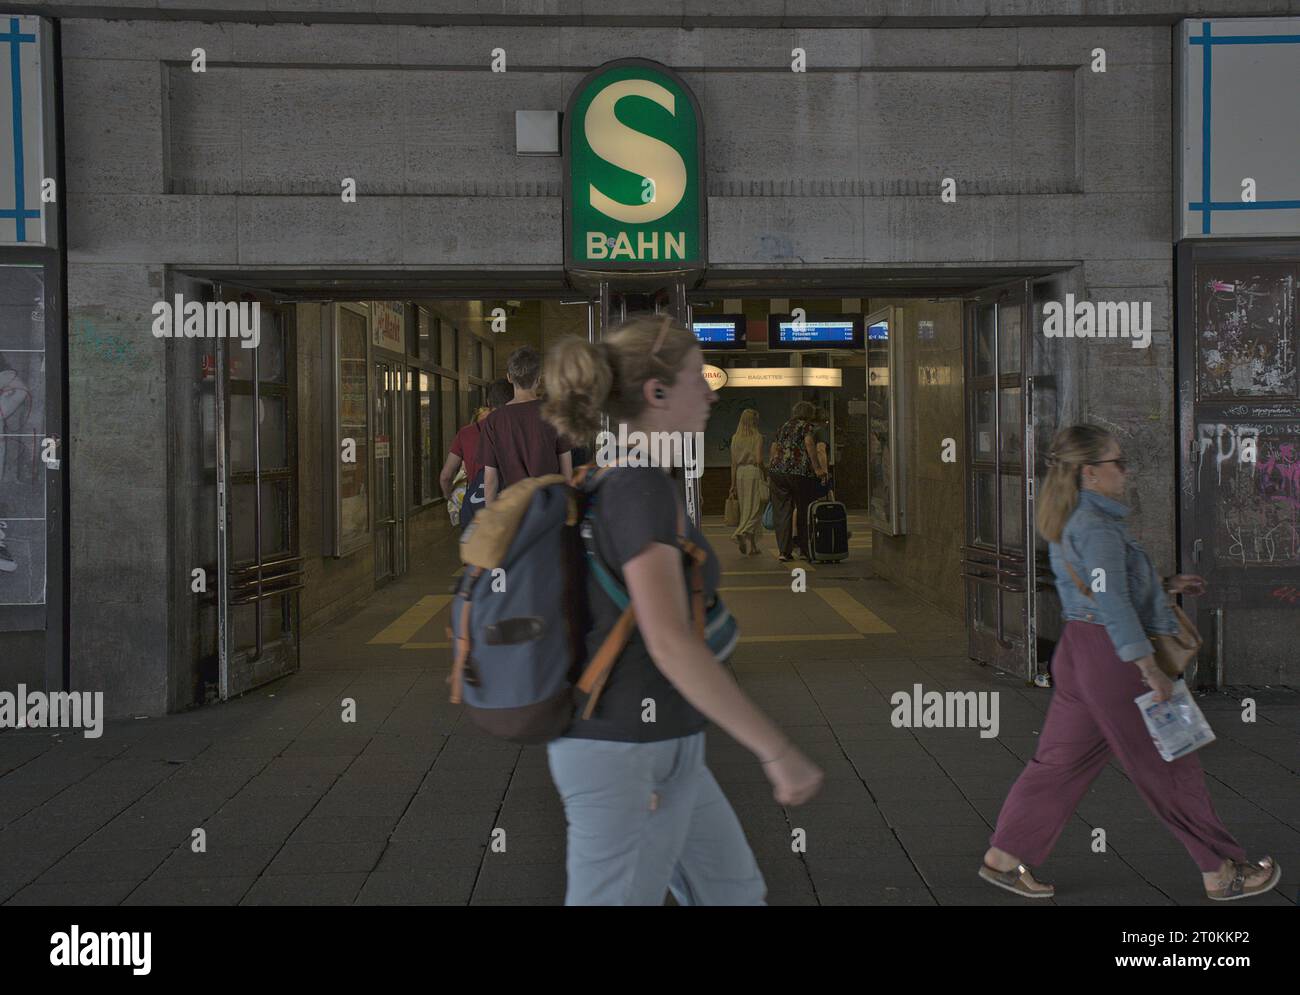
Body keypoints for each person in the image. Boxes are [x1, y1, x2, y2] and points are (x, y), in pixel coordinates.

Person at [541, 315, 824, 905]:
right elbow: (670, 641)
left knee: (733, 893)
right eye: (699, 376)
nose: (712, 391)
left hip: (669, 741)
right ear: (657, 392)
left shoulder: (622, 479)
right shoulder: (638, 486)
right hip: (623, 751)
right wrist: (777, 750)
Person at [980, 424, 1281, 902]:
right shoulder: (1097, 525)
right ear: (1090, 473)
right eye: (1117, 463)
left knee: (1057, 763)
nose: (1126, 470)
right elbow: (1113, 603)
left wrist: (1161, 584)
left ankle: (1003, 858)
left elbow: (1101, 586)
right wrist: (1150, 669)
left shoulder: (1071, 514)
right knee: (1171, 762)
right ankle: (1220, 872)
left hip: (1080, 651)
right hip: (1115, 659)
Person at [480, 347, 572, 505]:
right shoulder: (555, 414)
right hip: (549, 505)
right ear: (539, 378)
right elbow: (566, 470)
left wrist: (492, 516)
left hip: (514, 508)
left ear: (509, 377)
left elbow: (490, 479)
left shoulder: (494, 420)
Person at [439, 378, 512, 531]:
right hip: (509, 510)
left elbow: (446, 475)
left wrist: (449, 497)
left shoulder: (466, 433)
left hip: (475, 511)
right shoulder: (518, 430)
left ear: (488, 401)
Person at [766, 401, 825, 562]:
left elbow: (774, 449)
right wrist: (817, 468)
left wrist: (770, 469)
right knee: (803, 509)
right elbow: (809, 444)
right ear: (809, 414)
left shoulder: (783, 427)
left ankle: (784, 552)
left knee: (782, 512)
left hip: (777, 472)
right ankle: (805, 550)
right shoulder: (807, 427)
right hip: (799, 473)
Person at [728, 409, 767, 556]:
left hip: (740, 474)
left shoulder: (735, 438)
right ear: (753, 421)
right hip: (753, 472)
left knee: (746, 508)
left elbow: (733, 464)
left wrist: (732, 485)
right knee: (756, 508)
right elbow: (758, 460)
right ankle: (742, 532)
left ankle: (753, 547)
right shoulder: (757, 437)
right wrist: (765, 471)